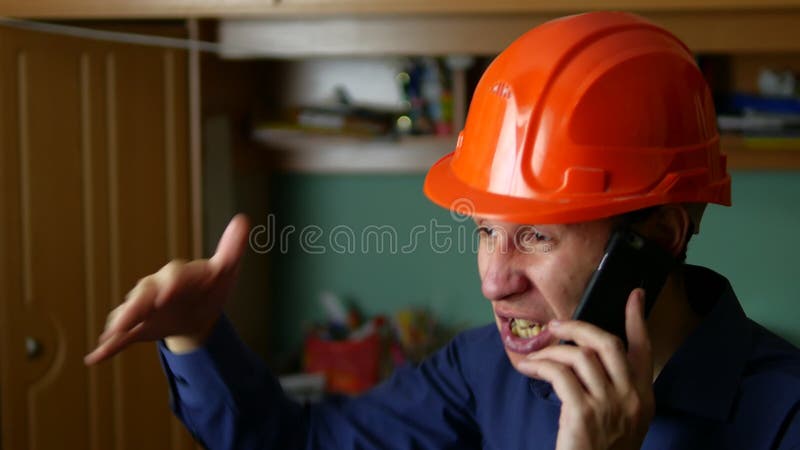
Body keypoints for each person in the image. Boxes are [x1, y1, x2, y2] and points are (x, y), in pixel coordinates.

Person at [85, 11, 800, 450]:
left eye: (537, 236)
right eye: (486, 230)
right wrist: (198, 336)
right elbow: (302, 444)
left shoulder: (785, 415)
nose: (494, 277)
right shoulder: (484, 369)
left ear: (663, 236)